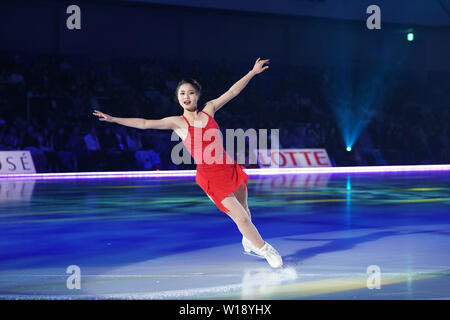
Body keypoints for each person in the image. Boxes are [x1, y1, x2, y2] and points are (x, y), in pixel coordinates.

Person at [93, 58, 282, 268]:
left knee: (245, 210)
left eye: (190, 92)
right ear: (177, 97)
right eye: (182, 93)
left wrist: (252, 72)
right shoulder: (177, 122)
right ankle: (265, 249)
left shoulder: (209, 109)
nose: (186, 96)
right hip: (210, 177)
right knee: (242, 219)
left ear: (197, 95)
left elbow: (232, 92)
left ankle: (248, 242)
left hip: (229, 168)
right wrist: (114, 119)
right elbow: (145, 123)